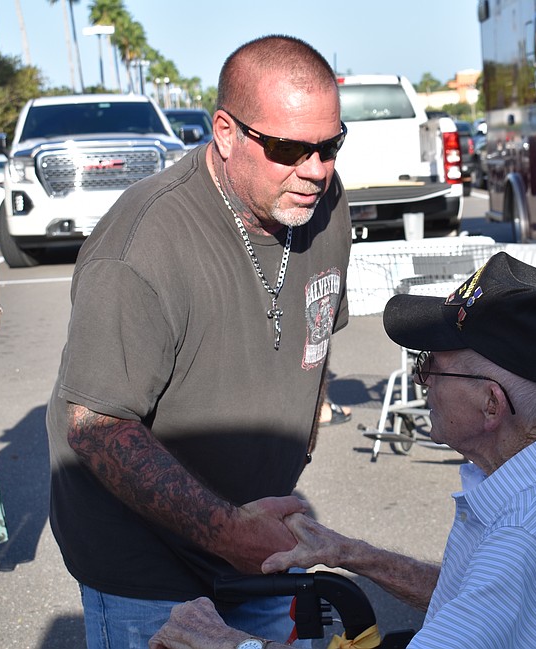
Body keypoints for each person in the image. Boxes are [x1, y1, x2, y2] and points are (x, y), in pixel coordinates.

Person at [46, 34, 352, 649]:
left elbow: (316, 341)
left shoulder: (325, 205)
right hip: (148, 570)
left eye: (330, 145)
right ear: (226, 131)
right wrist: (228, 530)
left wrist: (293, 455)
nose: (316, 170)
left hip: (262, 544)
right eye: (290, 148)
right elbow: (96, 427)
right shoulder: (142, 246)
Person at [150, 252, 536, 649]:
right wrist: (351, 553)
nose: (422, 382)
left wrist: (233, 644)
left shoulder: (524, 533)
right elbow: (476, 602)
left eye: (429, 366)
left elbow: (505, 578)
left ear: (491, 403)